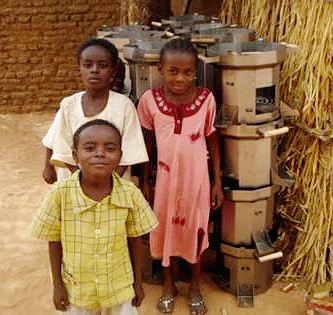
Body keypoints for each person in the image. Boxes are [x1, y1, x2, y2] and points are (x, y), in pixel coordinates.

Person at [30, 119, 158, 315]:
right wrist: (57, 285)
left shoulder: (130, 193)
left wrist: (137, 283)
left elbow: (135, 238)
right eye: (89, 148)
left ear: (120, 155)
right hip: (78, 289)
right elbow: (53, 240)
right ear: (75, 155)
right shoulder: (60, 194)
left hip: (119, 287)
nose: (100, 153)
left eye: (110, 148)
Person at [137, 38, 224, 315]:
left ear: (196, 71)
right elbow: (147, 142)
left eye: (187, 72)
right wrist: (145, 180)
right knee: (164, 230)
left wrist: (217, 183)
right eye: (173, 71)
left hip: (197, 180)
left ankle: (195, 286)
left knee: (195, 230)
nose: (180, 78)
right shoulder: (150, 101)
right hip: (164, 181)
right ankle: (167, 284)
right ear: (161, 69)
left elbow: (213, 140)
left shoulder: (206, 99)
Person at [42, 38, 147, 184]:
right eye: (88, 65)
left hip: (115, 184)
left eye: (102, 65)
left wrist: (108, 183)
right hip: (73, 182)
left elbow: (130, 150)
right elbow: (62, 146)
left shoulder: (124, 106)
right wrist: (83, 183)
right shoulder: (69, 105)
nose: (95, 70)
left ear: (113, 70)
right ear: (79, 68)